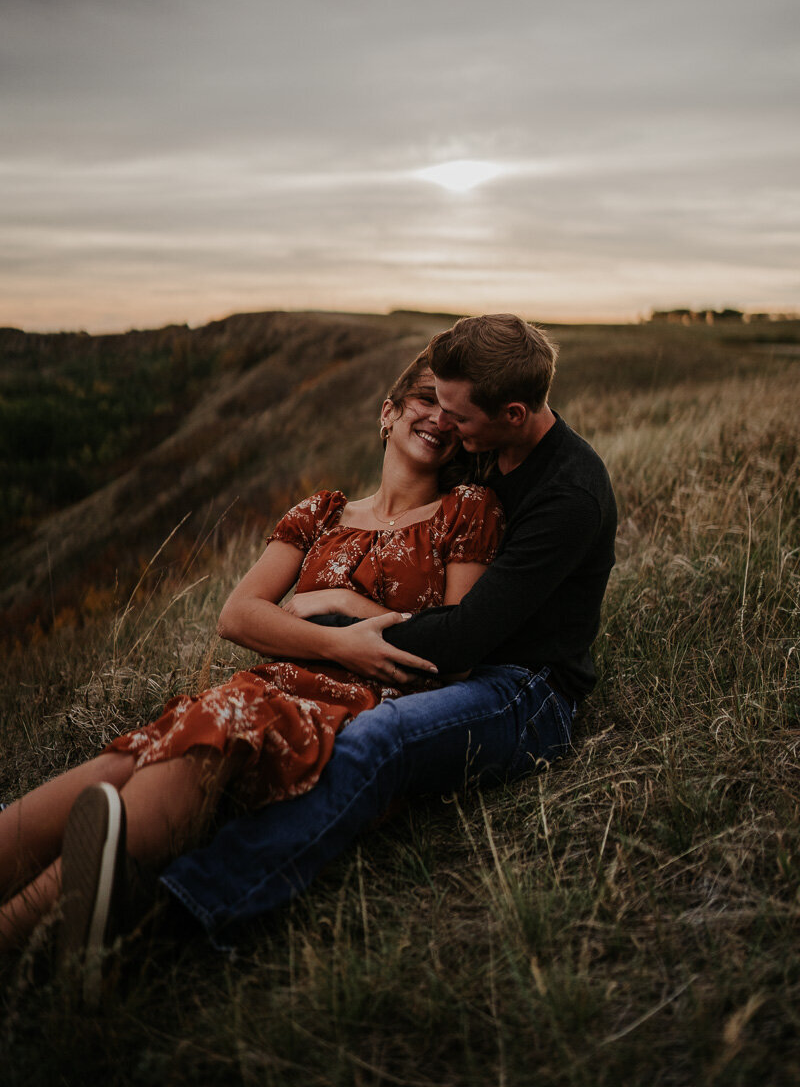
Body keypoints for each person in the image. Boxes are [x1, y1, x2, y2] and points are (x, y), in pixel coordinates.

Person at [0, 353, 503, 980]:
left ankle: (16, 937)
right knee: (126, 759)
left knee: (197, 744)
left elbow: (455, 648)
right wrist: (339, 640)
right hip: (265, 687)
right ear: (388, 412)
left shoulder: (468, 511)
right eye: (425, 399)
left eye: (454, 413)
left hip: (355, 710)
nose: (438, 418)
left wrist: (338, 605)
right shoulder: (321, 513)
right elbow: (238, 616)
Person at [160, 313, 617, 947]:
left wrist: (338, 618)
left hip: (526, 690)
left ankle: (193, 905)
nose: (447, 427)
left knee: (381, 738)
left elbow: (460, 640)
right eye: (439, 408)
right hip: (473, 661)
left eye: (460, 416)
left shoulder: (570, 494)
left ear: (512, 414)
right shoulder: (490, 452)